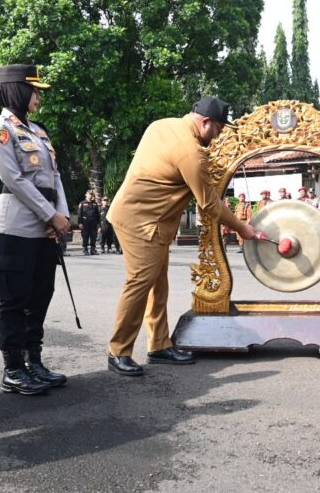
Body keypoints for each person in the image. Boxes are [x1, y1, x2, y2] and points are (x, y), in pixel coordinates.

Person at [106, 96, 255, 376]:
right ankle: (119, 351)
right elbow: (209, 204)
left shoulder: (162, 125)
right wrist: (243, 228)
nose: (218, 135)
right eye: (218, 128)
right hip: (143, 223)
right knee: (139, 284)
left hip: (143, 218)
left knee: (158, 285)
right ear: (205, 121)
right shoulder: (191, 152)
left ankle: (159, 345)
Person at [0, 64, 71, 395]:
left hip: (47, 226)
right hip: (18, 226)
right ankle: (13, 368)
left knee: (40, 294)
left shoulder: (39, 131)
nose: (38, 97)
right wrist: (51, 215)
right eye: (34, 91)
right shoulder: (0, 130)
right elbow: (14, 179)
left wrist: (61, 216)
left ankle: (34, 361)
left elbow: (55, 176)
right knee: (14, 299)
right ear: (17, 90)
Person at [77, 190, 101, 255]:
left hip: (93, 223)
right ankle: (85, 249)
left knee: (94, 236)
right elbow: (79, 214)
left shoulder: (95, 204)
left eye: (92, 194)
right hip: (85, 223)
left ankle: (93, 250)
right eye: (89, 194)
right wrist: (80, 223)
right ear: (86, 195)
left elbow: (98, 215)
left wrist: (99, 225)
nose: (91, 195)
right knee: (85, 236)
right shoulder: (82, 203)